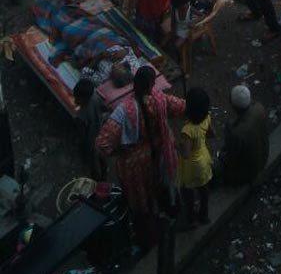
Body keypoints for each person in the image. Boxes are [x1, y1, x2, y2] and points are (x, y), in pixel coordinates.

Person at [95, 66, 185, 247]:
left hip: (134, 163)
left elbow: (102, 144)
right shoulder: (159, 99)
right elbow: (181, 106)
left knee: (141, 205)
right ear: (151, 85)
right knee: (161, 188)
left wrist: (120, 151)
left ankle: (148, 238)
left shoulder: (123, 110)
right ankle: (168, 218)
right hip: (160, 154)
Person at [218, 85, 269, 187]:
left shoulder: (236, 132)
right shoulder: (260, 108)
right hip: (263, 157)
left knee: (216, 168)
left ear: (233, 106)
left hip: (248, 173)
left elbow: (231, 157)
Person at [178, 87, 214, 227]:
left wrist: (176, 146)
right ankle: (204, 216)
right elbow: (212, 134)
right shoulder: (208, 117)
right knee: (203, 189)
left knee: (187, 192)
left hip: (192, 166)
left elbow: (186, 154)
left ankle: (191, 220)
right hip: (204, 158)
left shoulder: (187, 130)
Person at [73, 79, 106, 180]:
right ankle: (105, 171)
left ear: (83, 98)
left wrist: (83, 148)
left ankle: (98, 181)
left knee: (93, 162)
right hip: (101, 133)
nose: (75, 100)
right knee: (102, 157)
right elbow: (104, 108)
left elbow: (82, 136)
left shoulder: (81, 116)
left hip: (91, 140)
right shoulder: (96, 97)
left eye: (77, 98)